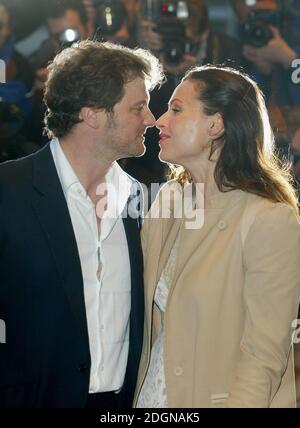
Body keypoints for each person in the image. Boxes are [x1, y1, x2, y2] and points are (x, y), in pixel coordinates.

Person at [0, 40, 164, 408]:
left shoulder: (145, 203)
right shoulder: (8, 193)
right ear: (92, 114)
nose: (151, 120)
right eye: (138, 107)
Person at [134, 64, 300, 408]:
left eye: (176, 110)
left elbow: (263, 357)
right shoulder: (168, 201)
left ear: (217, 124)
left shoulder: (270, 220)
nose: (160, 121)